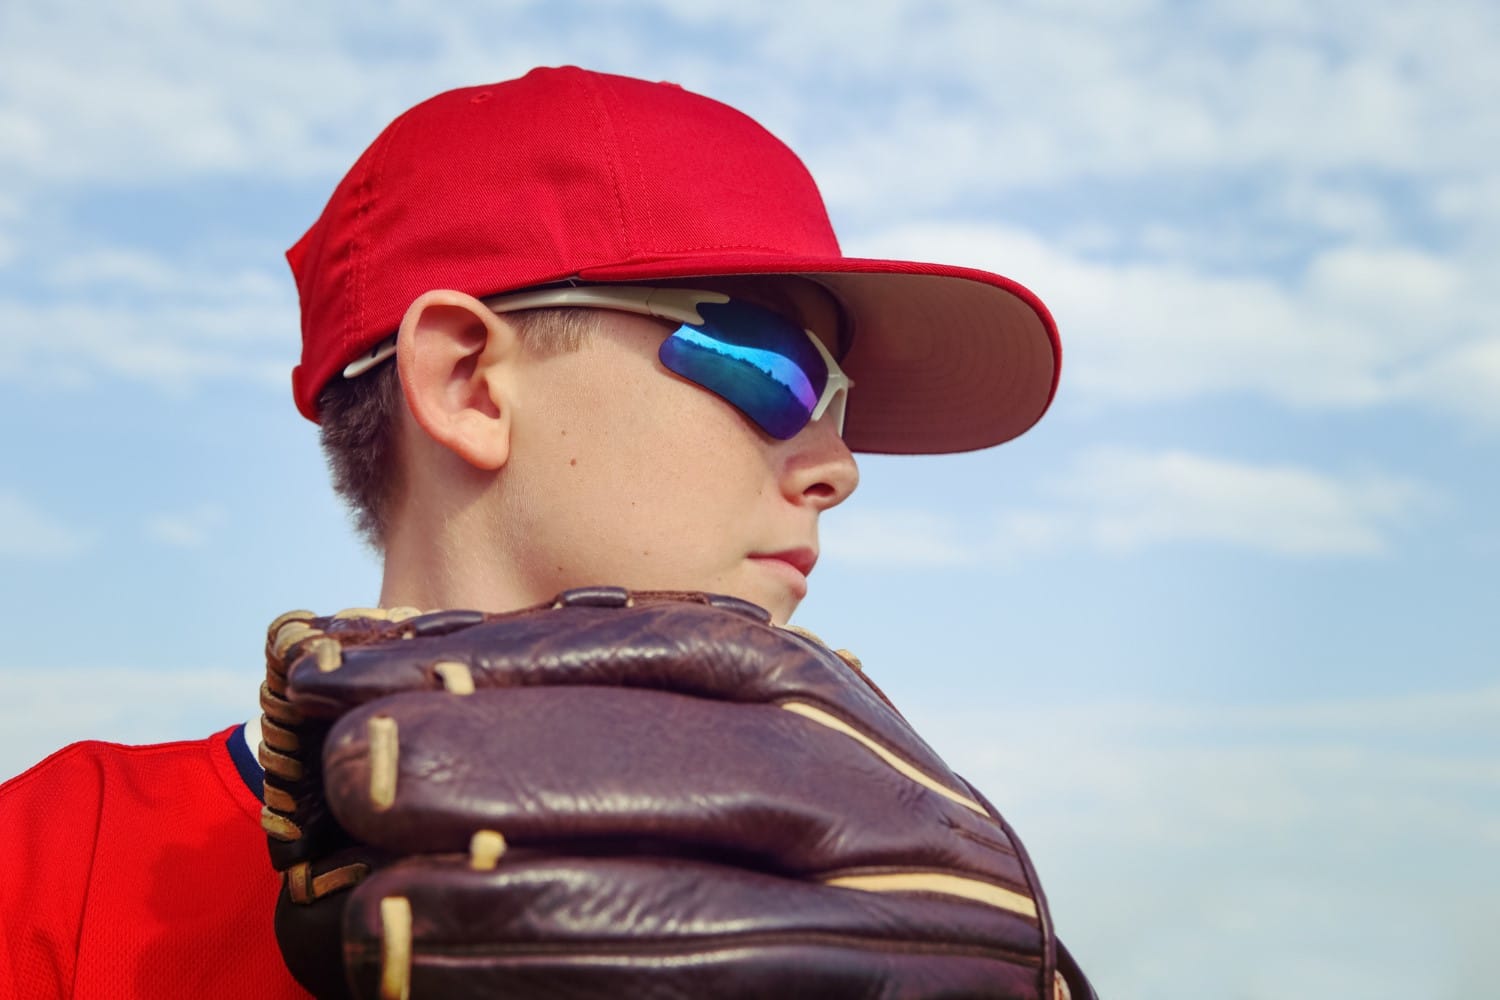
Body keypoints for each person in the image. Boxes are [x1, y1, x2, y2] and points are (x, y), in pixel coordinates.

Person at [0, 66, 1086, 998]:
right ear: (467, 380)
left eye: (840, 401)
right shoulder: (57, 869)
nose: (837, 466)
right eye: (775, 367)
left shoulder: (894, 897)